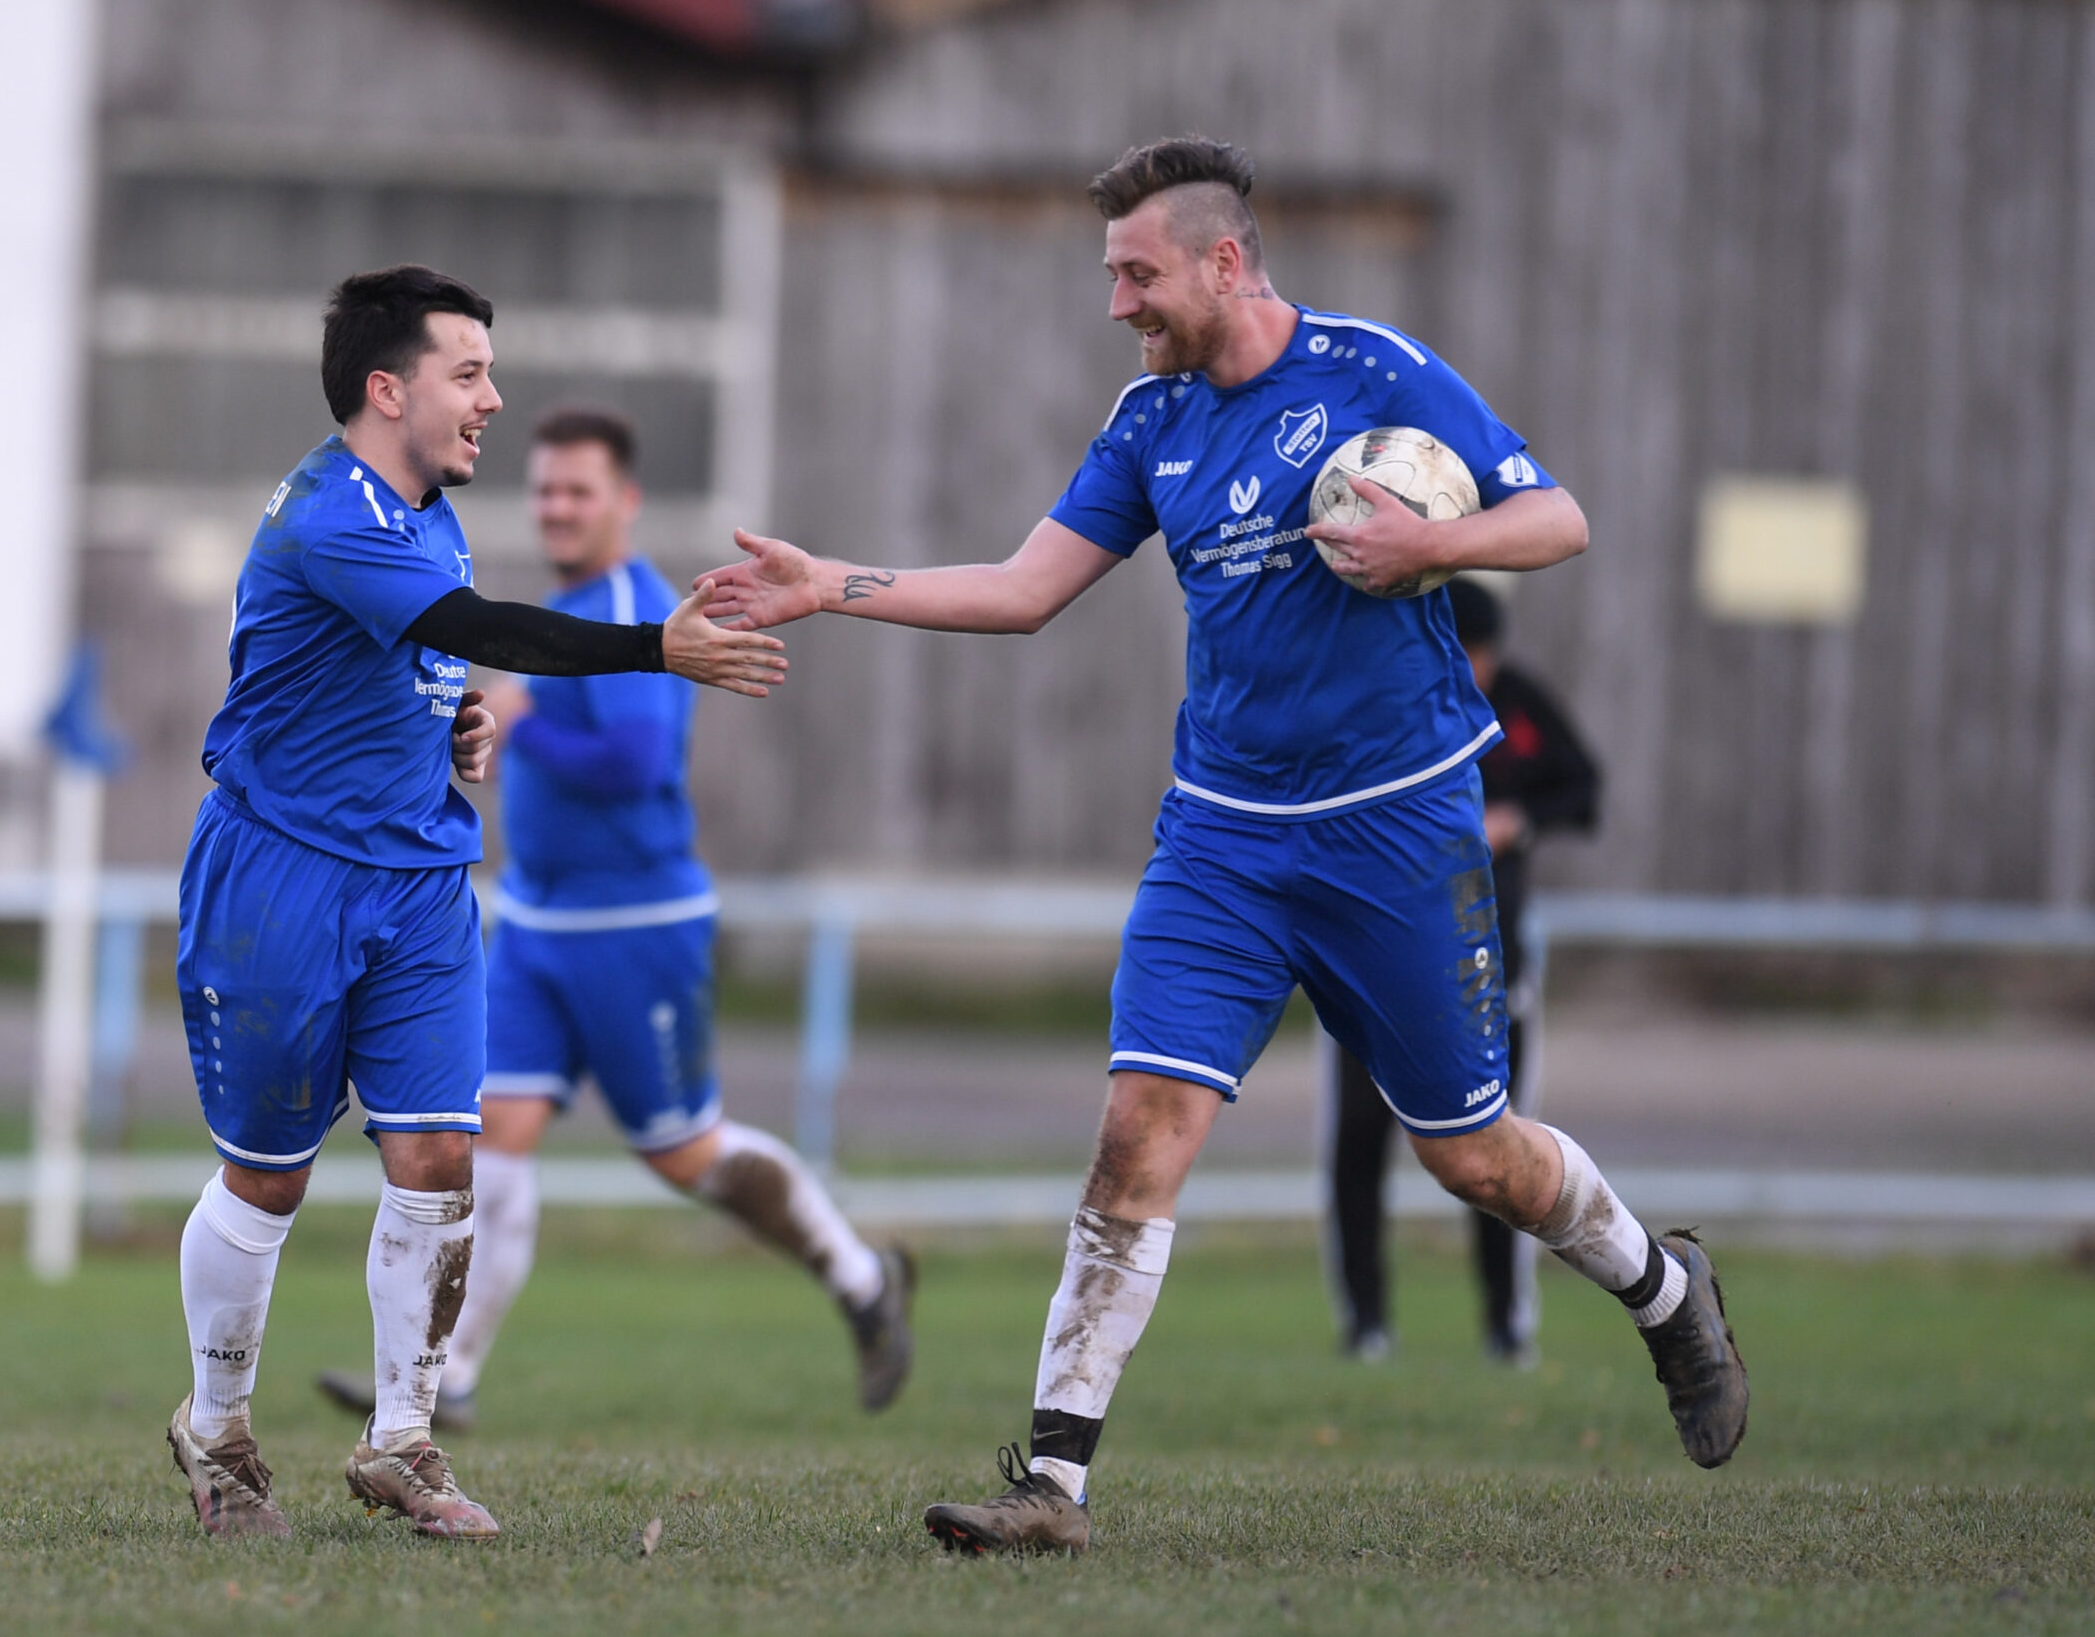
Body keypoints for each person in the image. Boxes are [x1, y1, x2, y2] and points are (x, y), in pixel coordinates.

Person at [704, 137, 1747, 1557]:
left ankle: (1662, 1290)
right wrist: (835, 585)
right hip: (1223, 843)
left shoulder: (1374, 372)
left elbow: (1559, 517)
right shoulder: (1150, 426)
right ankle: (1053, 1485)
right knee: (1139, 1125)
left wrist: (1429, 552)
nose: (1120, 303)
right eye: (1113, 276)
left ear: (1224, 261)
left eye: (1138, 274)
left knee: (1474, 1160)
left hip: (1398, 827)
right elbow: (1022, 592)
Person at [164, 266, 785, 1542]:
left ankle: (403, 1438)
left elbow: (422, 653)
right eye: (468, 372)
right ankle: (216, 1428)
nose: (492, 399)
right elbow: (480, 623)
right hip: (282, 876)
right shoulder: (329, 514)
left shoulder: (425, 505)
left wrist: (444, 727)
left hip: (425, 884)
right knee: (266, 1180)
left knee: (441, 1154)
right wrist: (655, 645)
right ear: (387, 389)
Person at [315, 405, 914, 1432]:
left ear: (624, 502)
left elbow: (634, 763)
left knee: (685, 1152)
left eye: (577, 490)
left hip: (638, 929)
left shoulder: (637, 607)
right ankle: (446, 1375)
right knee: (482, 1134)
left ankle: (861, 1277)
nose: (556, 507)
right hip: (538, 925)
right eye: (544, 488)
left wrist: (528, 715)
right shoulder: (572, 616)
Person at [1324, 575, 1601, 1368]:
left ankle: (1507, 1322)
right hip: (1374, 958)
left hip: (1491, 957)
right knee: (1357, 1138)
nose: (1472, 668)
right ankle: (1366, 1320)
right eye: (1462, 652)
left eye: (1483, 655)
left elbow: (1584, 787)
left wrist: (1519, 819)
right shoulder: (1390, 705)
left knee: (1497, 1142)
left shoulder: (1515, 705)